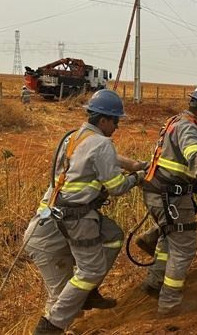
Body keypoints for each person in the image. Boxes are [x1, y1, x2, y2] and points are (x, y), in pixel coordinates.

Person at [25, 89, 141, 335]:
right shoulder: (102, 144)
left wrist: (129, 163)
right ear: (103, 120)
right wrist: (138, 176)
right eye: (115, 121)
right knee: (82, 278)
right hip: (74, 217)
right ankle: (50, 327)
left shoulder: (74, 136)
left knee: (113, 235)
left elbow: (93, 156)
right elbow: (117, 187)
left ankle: (88, 293)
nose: (117, 126)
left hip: (53, 214)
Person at [139, 83, 197, 316]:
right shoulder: (190, 128)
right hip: (170, 195)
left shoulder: (175, 121)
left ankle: (154, 282)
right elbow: (195, 156)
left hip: (158, 191)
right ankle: (169, 303)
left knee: (169, 240)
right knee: (184, 247)